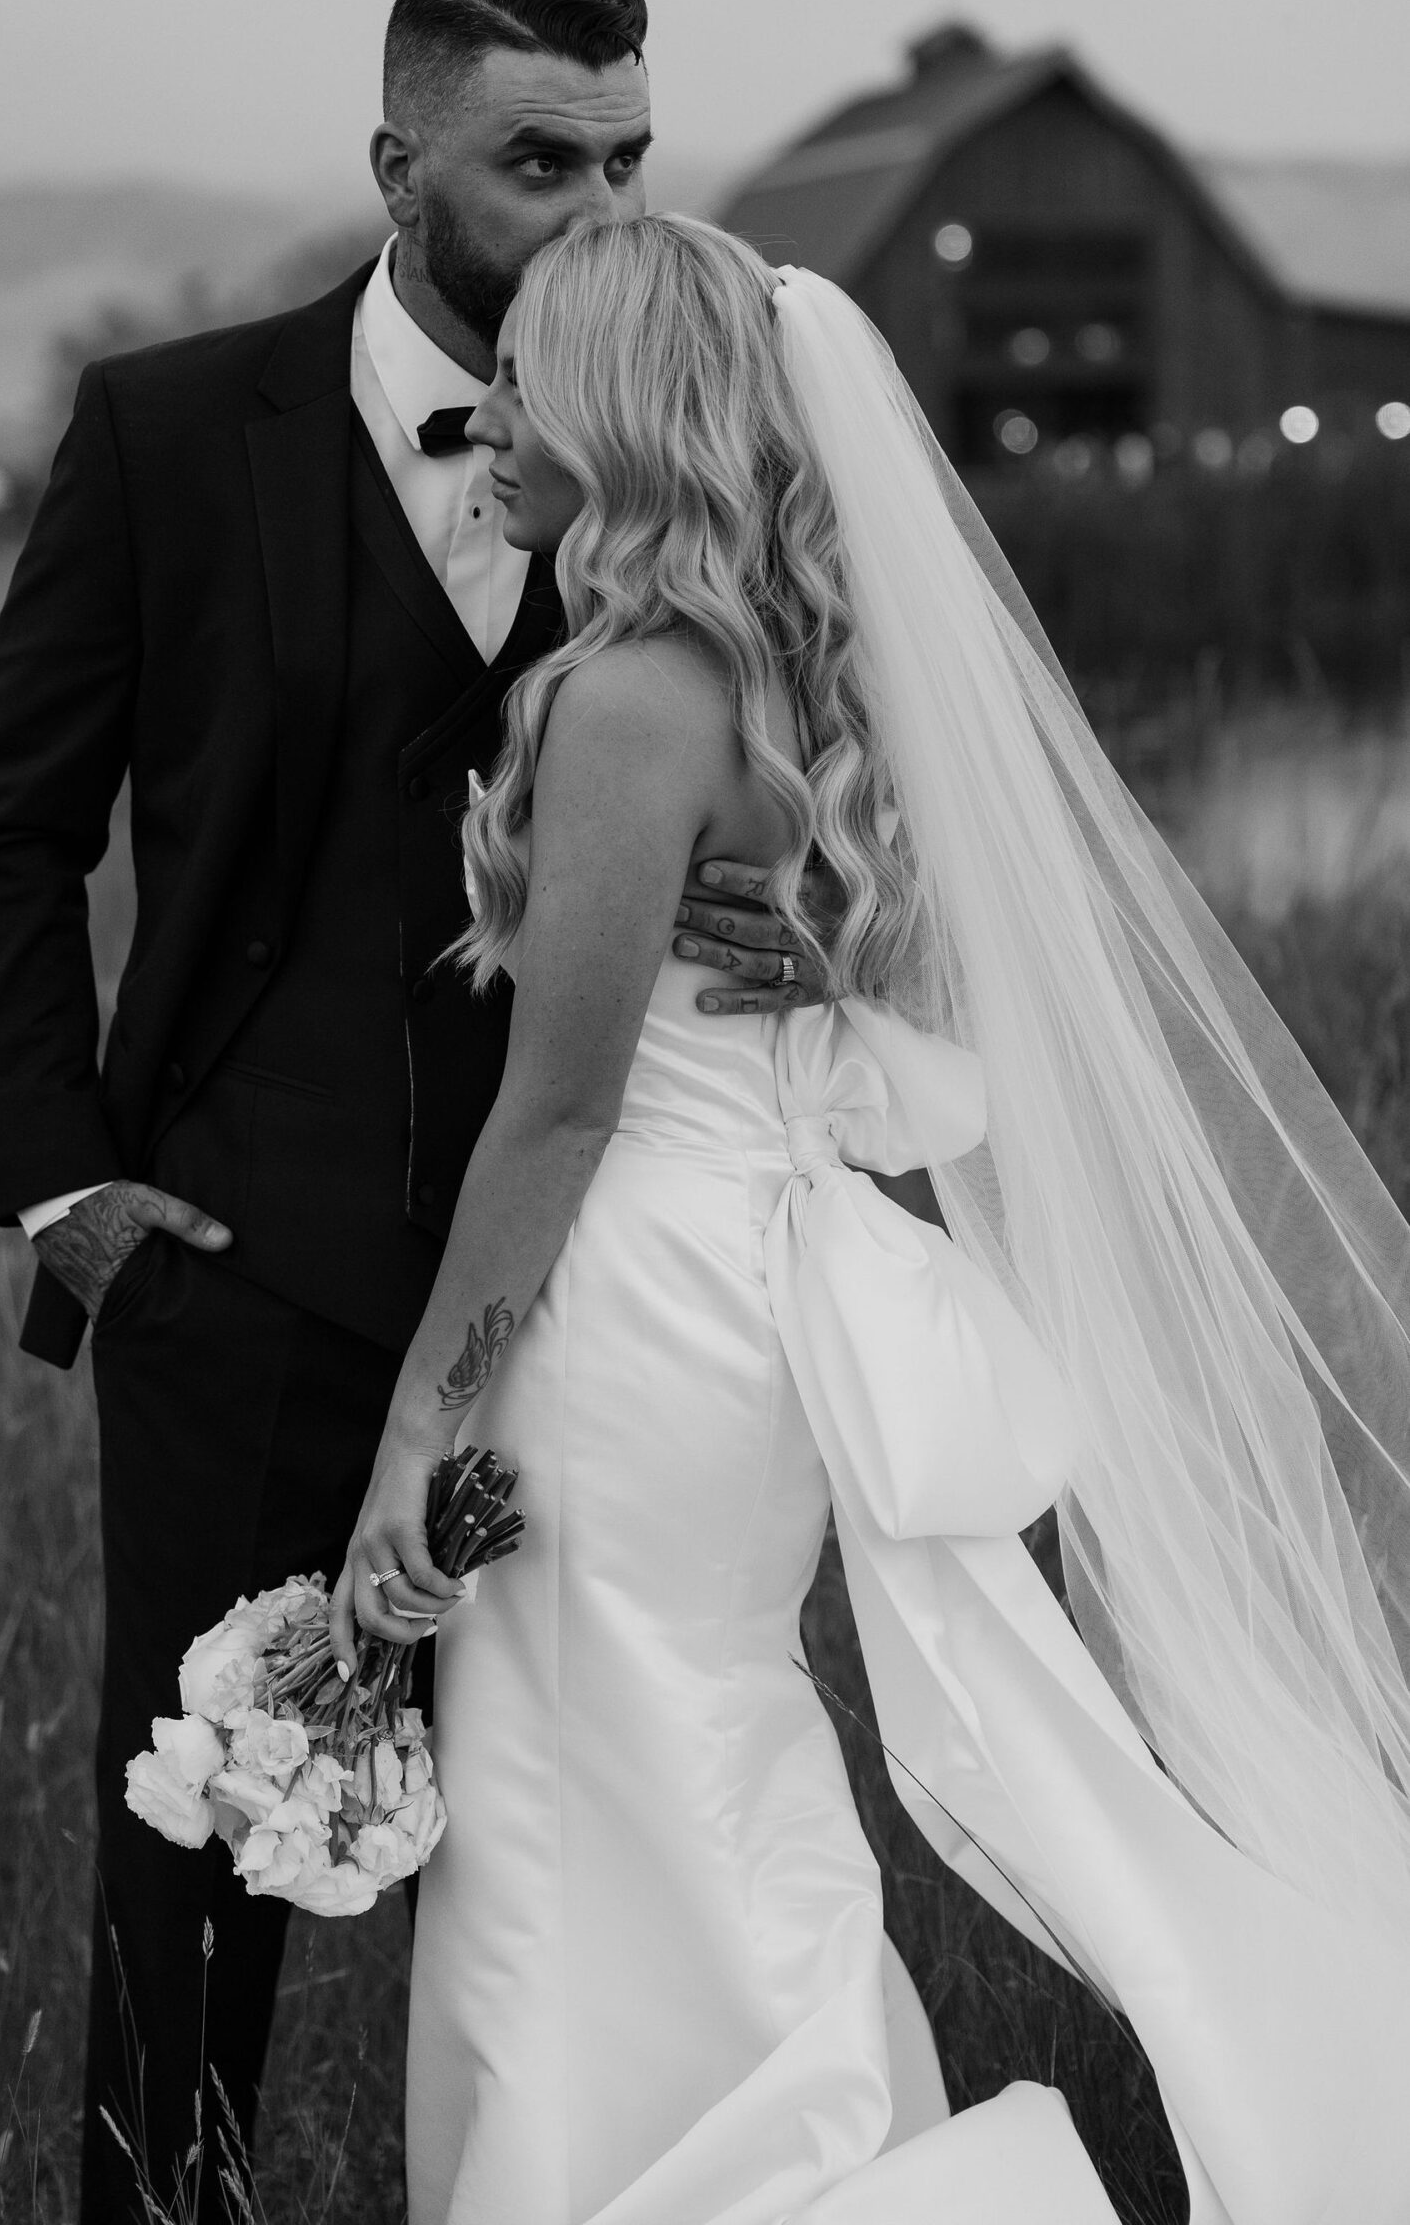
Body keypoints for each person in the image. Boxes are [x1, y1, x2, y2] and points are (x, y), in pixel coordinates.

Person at [331, 213, 1410, 2223]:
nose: (482, 417)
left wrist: (417, 1436)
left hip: (632, 1292)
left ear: (616, 400)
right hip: (744, 1285)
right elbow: (878, 983)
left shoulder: (623, 695)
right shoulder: (777, 680)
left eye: (526, 376)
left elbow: (554, 1108)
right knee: (688, 1735)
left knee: (586, 1753)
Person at [0, 0, 825, 2221]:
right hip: (241, 1276)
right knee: (196, 1869)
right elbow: (5, 829)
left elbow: (842, 826)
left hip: (602, 1318)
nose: (595, 201)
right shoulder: (166, 427)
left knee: (565, 1852)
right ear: (396, 165)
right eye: (540, 159)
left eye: (630, 156)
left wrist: (805, 922)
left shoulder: (716, 445)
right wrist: (67, 1191)